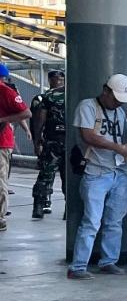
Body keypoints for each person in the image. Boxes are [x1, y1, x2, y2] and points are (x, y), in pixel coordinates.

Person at [67, 74, 127, 279]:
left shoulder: (119, 112)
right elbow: (88, 136)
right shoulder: (87, 106)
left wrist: (122, 149)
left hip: (119, 170)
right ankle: (78, 266)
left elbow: (121, 136)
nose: (118, 103)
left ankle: (109, 261)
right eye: (116, 98)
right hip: (96, 172)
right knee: (92, 221)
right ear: (105, 91)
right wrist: (118, 148)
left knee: (115, 220)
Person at [29, 69, 66, 219]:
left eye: (60, 79)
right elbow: (39, 120)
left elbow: (39, 121)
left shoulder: (47, 96)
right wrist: (37, 141)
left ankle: (39, 205)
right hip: (61, 142)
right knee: (63, 176)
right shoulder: (74, 94)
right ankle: (43, 205)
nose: (58, 81)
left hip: (54, 141)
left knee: (46, 175)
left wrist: (37, 140)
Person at [0, 67, 27, 231]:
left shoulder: (6, 92)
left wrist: (3, 120)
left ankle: (0, 217)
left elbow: (26, 113)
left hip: (1, 142)